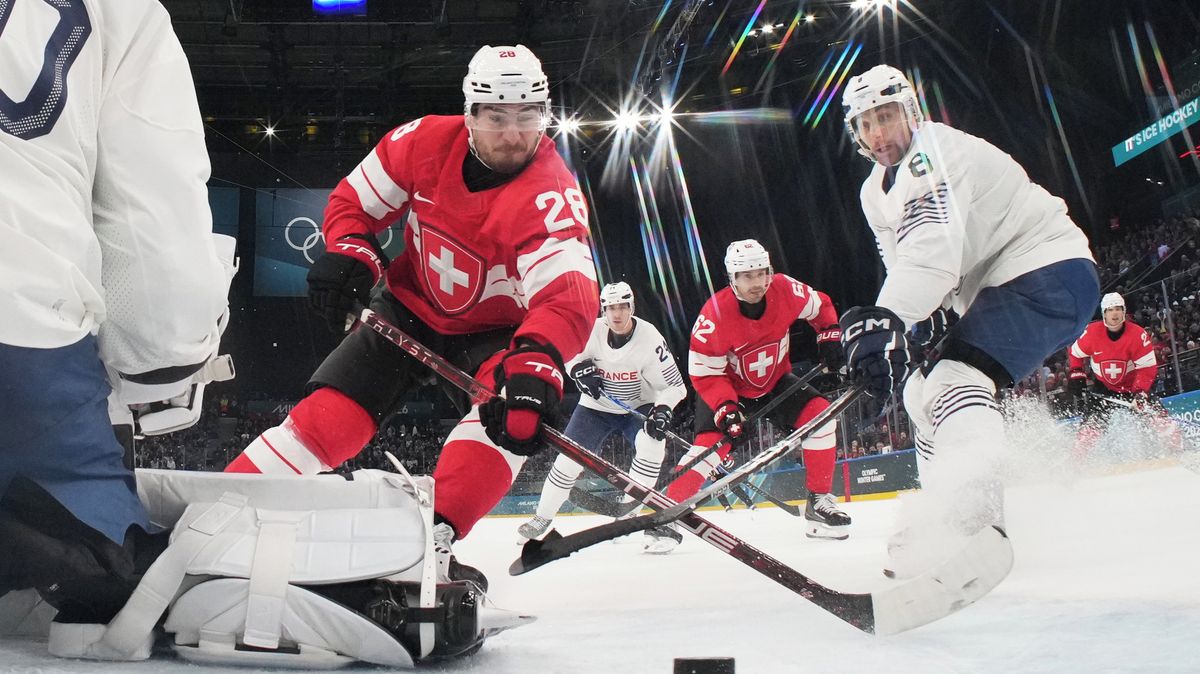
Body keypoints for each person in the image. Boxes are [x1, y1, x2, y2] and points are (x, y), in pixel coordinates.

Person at [225, 45, 599, 559]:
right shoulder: (420, 141)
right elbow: (353, 204)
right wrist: (352, 253)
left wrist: (536, 362)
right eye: (496, 116)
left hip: (501, 334)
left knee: (511, 420)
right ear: (469, 114)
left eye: (527, 116)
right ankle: (219, 508)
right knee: (328, 419)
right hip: (409, 305)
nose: (513, 135)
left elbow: (567, 297)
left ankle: (432, 544)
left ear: (544, 115)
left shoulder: (549, 194)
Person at [1, 0, 231, 649]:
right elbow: (152, 239)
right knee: (111, 568)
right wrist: (170, 358)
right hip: (21, 346)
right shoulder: (125, 9)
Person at [837, 64, 1099, 578]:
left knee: (958, 378)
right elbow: (903, 263)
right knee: (920, 391)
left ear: (910, 113)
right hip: (997, 285)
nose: (877, 133)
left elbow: (932, 257)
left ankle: (973, 516)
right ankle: (942, 515)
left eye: (886, 117)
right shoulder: (874, 192)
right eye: (865, 124)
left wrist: (884, 322)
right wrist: (906, 328)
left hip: (1047, 270)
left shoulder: (936, 154)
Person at [644, 239, 849, 554]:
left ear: (769, 271)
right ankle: (666, 514)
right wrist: (726, 408)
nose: (757, 283)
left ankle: (818, 504)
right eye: (747, 276)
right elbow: (705, 374)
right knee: (708, 451)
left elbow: (820, 306)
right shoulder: (713, 317)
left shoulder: (785, 290)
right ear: (732, 279)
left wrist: (829, 335)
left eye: (761, 273)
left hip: (775, 381)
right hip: (728, 390)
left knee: (821, 416)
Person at [516, 282, 686, 541]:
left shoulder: (650, 338)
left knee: (653, 444)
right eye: (610, 308)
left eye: (622, 307)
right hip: (596, 407)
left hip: (638, 407)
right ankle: (542, 517)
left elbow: (675, 386)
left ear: (632, 307)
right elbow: (564, 353)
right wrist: (576, 370)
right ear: (603, 310)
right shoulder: (590, 331)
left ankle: (633, 515)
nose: (616, 314)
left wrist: (663, 410)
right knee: (568, 458)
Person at [1068, 292, 1174, 456]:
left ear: (1124, 311)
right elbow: (1075, 353)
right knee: (1087, 434)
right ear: (1104, 313)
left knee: (1163, 423)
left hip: (1133, 388)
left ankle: (1177, 453)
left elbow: (1147, 368)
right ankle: (1076, 466)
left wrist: (1140, 392)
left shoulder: (1137, 335)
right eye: (1110, 310)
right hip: (1103, 389)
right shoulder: (1091, 333)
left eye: (1118, 308)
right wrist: (1077, 374)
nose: (1114, 313)